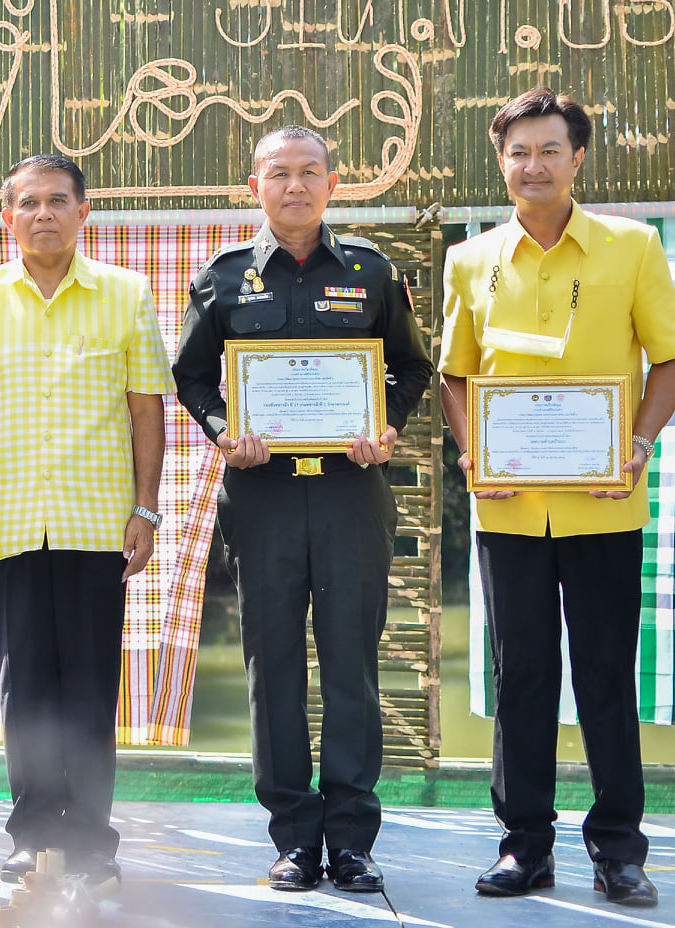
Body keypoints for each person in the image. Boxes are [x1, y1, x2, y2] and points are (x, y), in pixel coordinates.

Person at [172, 126, 434, 895]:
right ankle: (293, 835)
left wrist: (386, 428)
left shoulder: (371, 270)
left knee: (352, 664)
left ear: (332, 183)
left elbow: (412, 367)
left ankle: (351, 839)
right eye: (278, 174)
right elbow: (192, 380)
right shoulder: (223, 279)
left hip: (353, 495)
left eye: (309, 172)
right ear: (253, 186)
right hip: (264, 498)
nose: (295, 186)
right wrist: (225, 434)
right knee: (273, 665)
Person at [439, 88, 675, 909]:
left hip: (605, 504)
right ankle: (524, 846)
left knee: (605, 676)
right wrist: (475, 454)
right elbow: (454, 375)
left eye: (548, 151)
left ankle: (619, 851)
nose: (532, 166)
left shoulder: (634, 246)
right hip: (507, 506)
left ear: (578, 158)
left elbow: (669, 361)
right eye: (517, 153)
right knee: (522, 676)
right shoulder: (471, 258)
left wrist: (639, 442)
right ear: (500, 162)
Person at [0, 154, 168, 891]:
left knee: (93, 689)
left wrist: (147, 508)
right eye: (28, 202)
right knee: (23, 686)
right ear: (7, 217)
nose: (43, 214)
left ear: (83, 211)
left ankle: (94, 840)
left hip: (98, 520)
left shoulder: (126, 295)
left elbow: (145, 410)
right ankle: (32, 833)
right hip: (9, 522)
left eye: (58, 201)